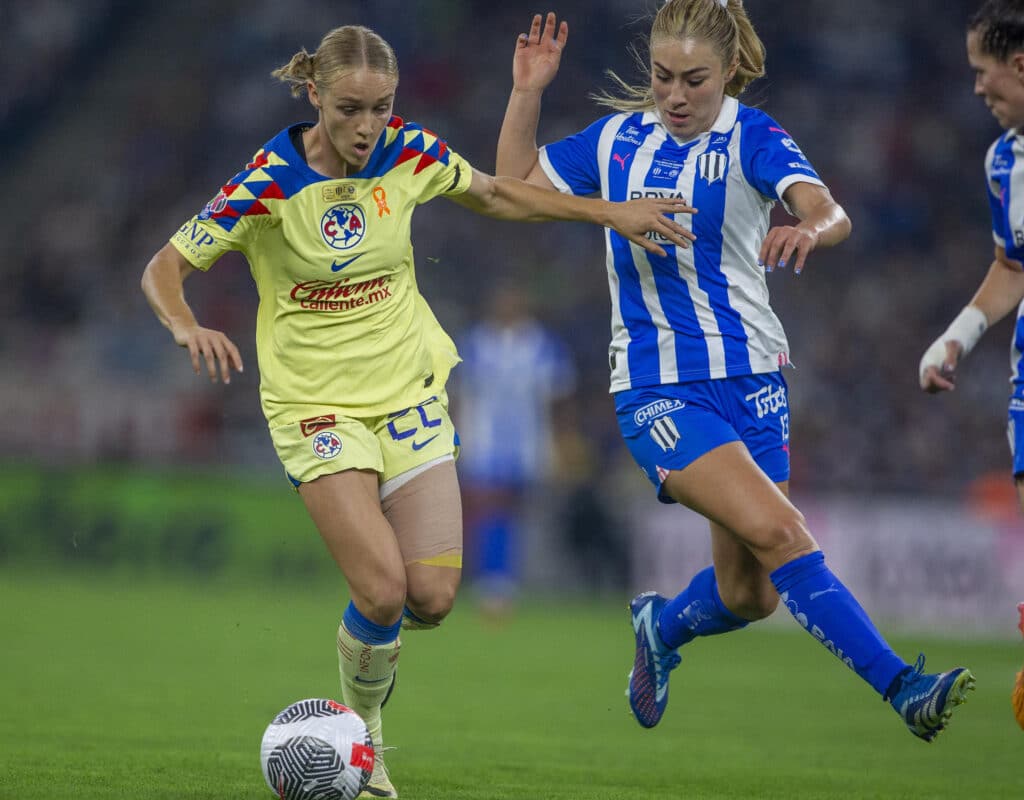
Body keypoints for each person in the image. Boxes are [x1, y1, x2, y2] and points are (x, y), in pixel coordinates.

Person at [140, 24, 694, 799]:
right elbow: (165, 266)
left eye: (382, 107)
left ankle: (361, 695)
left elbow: (499, 193)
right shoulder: (267, 180)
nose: (368, 127)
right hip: (314, 406)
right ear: (314, 97)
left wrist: (612, 213)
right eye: (350, 109)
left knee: (431, 597)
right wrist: (184, 322)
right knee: (381, 592)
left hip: (408, 393)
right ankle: (364, 747)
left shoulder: (411, 150)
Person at [497, 2, 975, 742]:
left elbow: (828, 210)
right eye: (662, 77)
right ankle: (903, 687)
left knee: (750, 594)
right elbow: (513, 185)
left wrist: (806, 227)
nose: (676, 95)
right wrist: (531, 95)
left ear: (727, 75)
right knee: (785, 532)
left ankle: (661, 624)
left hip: (754, 384)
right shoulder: (619, 139)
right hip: (659, 389)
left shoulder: (752, 135)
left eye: (695, 79)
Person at [920, 0, 1024, 518]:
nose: (978, 88)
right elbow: (1011, 267)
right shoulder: (1003, 163)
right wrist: (954, 338)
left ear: (1020, 65)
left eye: (983, 72)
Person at [453, 283, 576, 617]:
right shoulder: (475, 343)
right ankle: (494, 584)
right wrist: (457, 440)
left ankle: (521, 579)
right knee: (492, 510)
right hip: (484, 443)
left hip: (531, 444)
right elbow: (461, 396)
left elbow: (559, 401)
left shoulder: (543, 344)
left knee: (524, 515)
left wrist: (562, 446)